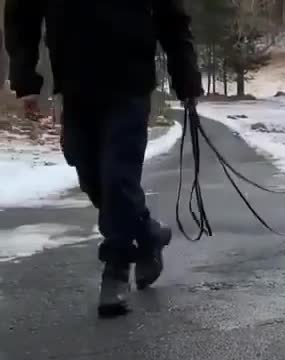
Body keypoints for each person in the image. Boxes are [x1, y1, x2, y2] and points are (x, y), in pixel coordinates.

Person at [4, 0, 203, 317]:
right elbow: (21, 15)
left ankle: (117, 267)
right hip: (76, 87)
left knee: (117, 176)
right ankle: (149, 234)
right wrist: (25, 80)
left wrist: (186, 78)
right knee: (92, 176)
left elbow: (172, 18)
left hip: (130, 84)